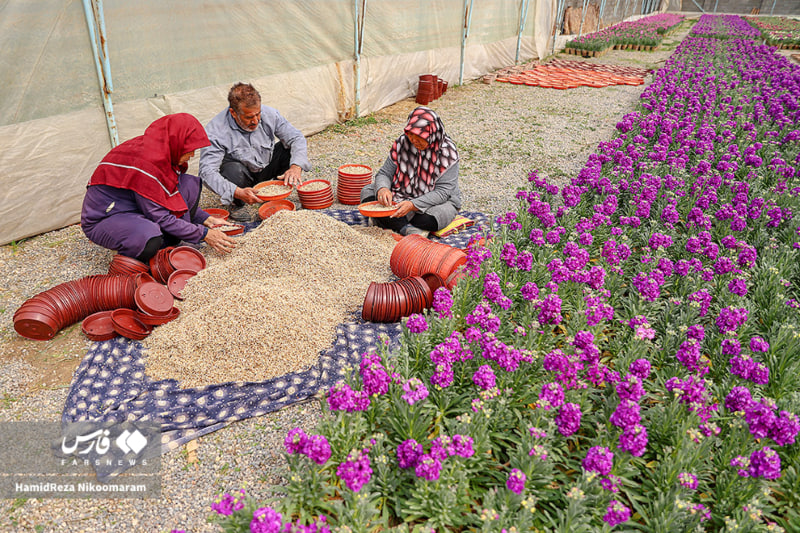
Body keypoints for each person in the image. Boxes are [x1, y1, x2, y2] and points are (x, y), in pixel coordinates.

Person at [81, 113, 236, 262]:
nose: (192, 155)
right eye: (190, 149)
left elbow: (170, 193)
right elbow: (160, 215)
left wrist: (205, 219)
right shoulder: (146, 166)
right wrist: (205, 234)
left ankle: (155, 239)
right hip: (108, 216)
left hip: (135, 205)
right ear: (177, 142)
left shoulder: (161, 149)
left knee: (188, 185)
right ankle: (129, 256)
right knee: (149, 236)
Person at [199, 82, 312, 222]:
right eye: (248, 117)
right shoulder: (216, 131)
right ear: (233, 113)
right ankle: (237, 202)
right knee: (233, 169)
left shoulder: (270, 114)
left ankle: (275, 194)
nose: (256, 120)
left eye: (258, 114)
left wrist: (296, 166)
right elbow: (207, 172)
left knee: (287, 150)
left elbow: (296, 137)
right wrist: (237, 191)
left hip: (264, 167)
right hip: (240, 177)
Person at [360, 106, 461, 237]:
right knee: (368, 193)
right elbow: (385, 173)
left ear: (432, 134)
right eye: (410, 134)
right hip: (401, 192)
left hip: (433, 201)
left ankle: (387, 221)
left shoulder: (447, 153)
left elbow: (443, 192)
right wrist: (383, 189)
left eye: (419, 136)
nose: (413, 140)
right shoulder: (403, 143)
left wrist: (413, 205)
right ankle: (407, 229)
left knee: (428, 219)